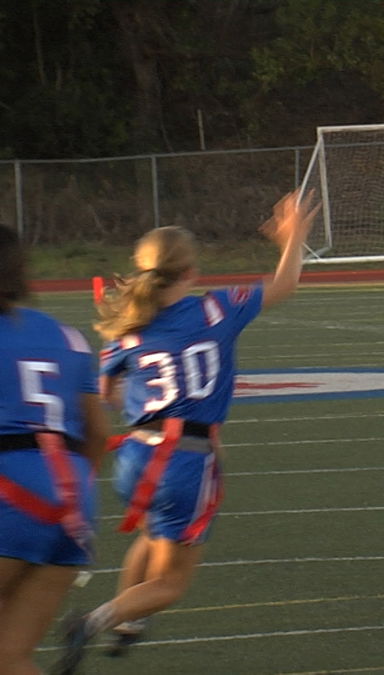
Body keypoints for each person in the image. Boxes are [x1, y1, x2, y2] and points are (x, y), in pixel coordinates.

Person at [53, 190, 317, 673]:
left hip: (136, 456)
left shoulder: (129, 326)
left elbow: (108, 394)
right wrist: (294, 234)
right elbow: (285, 284)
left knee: (154, 535)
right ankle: (93, 621)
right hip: (187, 459)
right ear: (192, 273)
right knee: (172, 582)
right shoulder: (216, 310)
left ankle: (129, 623)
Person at [0, 223, 110, 675]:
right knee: (10, 657)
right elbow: (98, 432)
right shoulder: (67, 336)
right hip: (73, 503)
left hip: (9, 491)